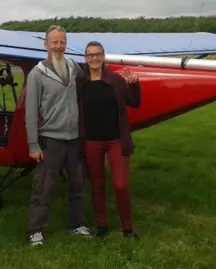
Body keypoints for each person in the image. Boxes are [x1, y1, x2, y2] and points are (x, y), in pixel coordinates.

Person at [24, 25, 91, 246]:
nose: (59, 46)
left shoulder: (73, 68)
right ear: (46, 44)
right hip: (50, 140)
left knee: (77, 184)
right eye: (54, 42)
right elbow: (31, 111)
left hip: (73, 139)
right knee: (43, 187)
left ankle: (77, 224)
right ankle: (35, 231)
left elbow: (90, 80)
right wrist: (34, 145)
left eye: (62, 42)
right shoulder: (37, 74)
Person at [76, 41, 141, 239]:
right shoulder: (81, 83)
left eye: (97, 54)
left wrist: (134, 84)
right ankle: (101, 225)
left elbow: (135, 102)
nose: (94, 58)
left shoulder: (115, 80)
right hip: (91, 141)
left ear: (103, 57)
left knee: (120, 185)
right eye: (90, 55)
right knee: (96, 185)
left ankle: (127, 229)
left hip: (116, 141)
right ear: (85, 59)